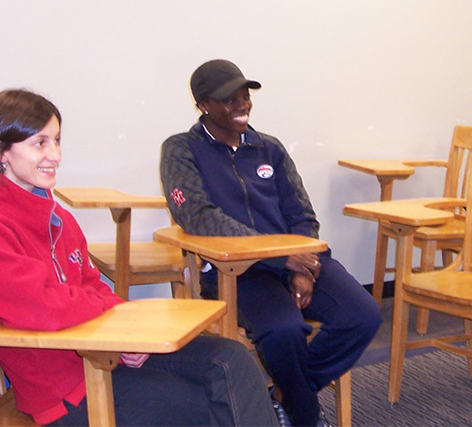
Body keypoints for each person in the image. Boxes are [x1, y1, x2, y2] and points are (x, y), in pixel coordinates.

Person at [0, 88, 279, 427]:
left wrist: (128, 337)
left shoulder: (55, 216)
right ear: (0, 151)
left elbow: (92, 285)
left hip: (102, 356)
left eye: (57, 140)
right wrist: (110, 322)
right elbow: (43, 307)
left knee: (230, 359)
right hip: (64, 390)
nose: (55, 155)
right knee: (205, 404)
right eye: (40, 143)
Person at [160, 60, 383, 427]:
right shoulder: (182, 150)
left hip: (297, 260)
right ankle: (305, 413)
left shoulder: (270, 149)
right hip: (235, 271)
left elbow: (303, 215)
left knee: (363, 315)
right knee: (283, 330)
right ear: (202, 105)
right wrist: (281, 258)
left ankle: (284, 394)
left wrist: (306, 265)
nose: (241, 104)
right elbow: (197, 215)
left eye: (244, 95)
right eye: (228, 99)